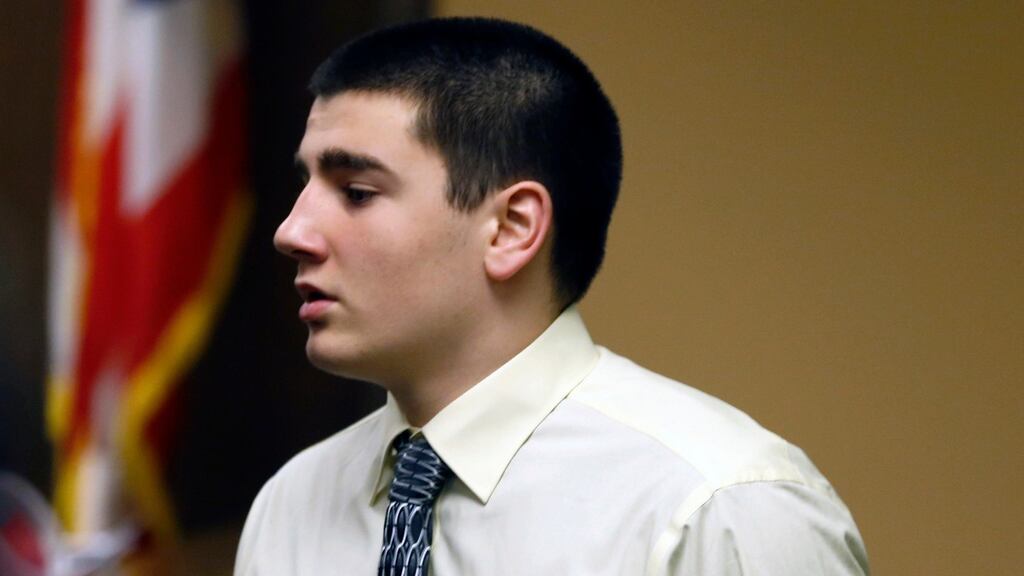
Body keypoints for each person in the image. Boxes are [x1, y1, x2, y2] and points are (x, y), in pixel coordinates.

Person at [235, 17, 870, 576]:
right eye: (305, 185)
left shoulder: (715, 508)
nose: (292, 232)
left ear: (512, 229)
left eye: (356, 191)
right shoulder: (291, 505)